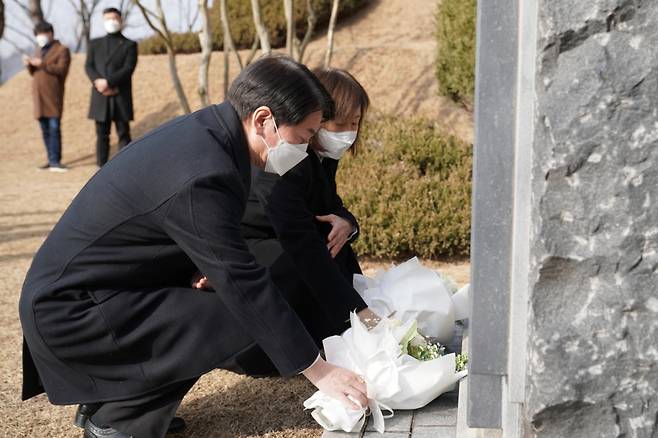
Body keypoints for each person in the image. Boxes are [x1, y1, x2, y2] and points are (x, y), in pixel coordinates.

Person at [19, 56, 370, 438]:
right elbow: (243, 283)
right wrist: (320, 371)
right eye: (302, 137)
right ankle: (119, 422)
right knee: (236, 314)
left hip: (102, 291)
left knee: (221, 304)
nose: (304, 149)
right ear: (263, 119)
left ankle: (111, 403)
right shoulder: (205, 171)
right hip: (75, 310)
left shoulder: (211, 137)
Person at [210, 68, 372, 376]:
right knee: (310, 265)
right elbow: (300, 241)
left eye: (356, 123)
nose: (349, 132)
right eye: (342, 123)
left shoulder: (322, 155)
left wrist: (347, 224)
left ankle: (340, 328)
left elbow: (330, 205)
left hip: (291, 239)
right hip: (261, 246)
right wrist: (359, 312)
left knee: (334, 248)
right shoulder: (285, 160)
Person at [85, 7, 137, 167]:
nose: (111, 22)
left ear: (120, 20)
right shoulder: (95, 44)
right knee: (101, 135)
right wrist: (99, 83)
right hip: (100, 95)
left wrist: (108, 82)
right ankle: (101, 167)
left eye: (114, 18)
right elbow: (89, 66)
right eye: (108, 19)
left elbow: (128, 68)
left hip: (120, 94)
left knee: (123, 133)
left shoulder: (129, 44)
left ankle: (126, 167)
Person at [23, 21, 71, 172]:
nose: (41, 37)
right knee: (44, 129)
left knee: (54, 127)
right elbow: (35, 73)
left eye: (43, 33)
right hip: (39, 96)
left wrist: (41, 63)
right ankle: (50, 159)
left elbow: (61, 70)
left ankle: (56, 160)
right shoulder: (39, 50)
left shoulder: (62, 49)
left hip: (53, 95)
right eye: (38, 34)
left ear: (51, 33)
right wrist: (30, 64)